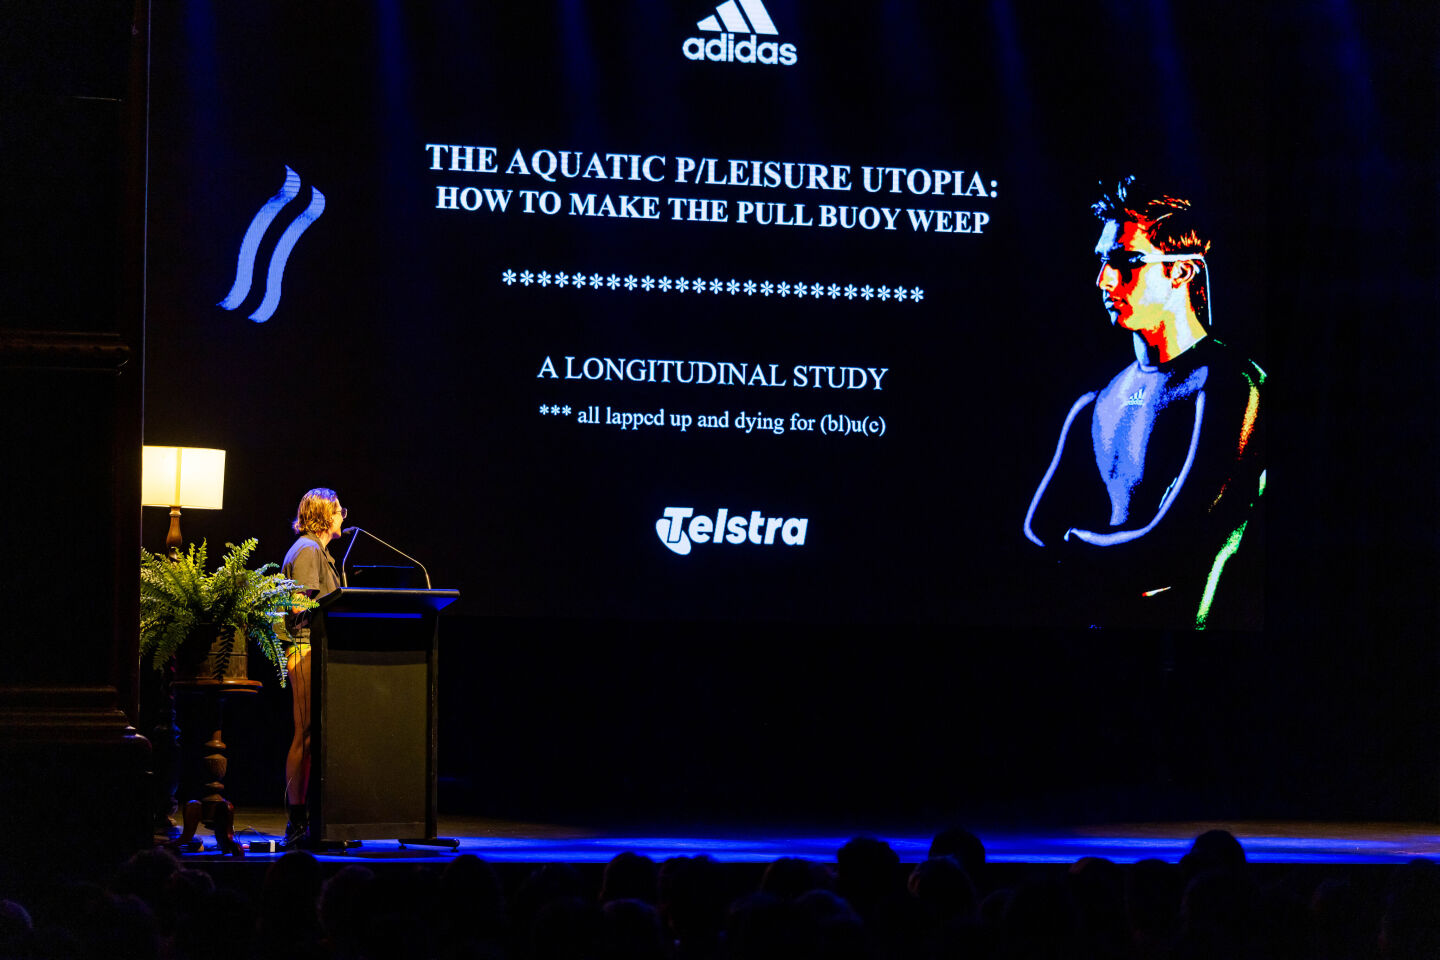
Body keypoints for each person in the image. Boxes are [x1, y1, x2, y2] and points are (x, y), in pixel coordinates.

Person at [1023, 176, 1265, 629]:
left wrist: (1075, 548)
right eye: (1102, 261)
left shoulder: (1229, 385)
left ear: (1182, 272)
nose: (1104, 280)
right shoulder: (1096, 403)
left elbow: (1174, 545)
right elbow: (1037, 534)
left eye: (1125, 261)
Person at [279, 487, 346, 847]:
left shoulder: (318, 551)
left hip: (318, 650)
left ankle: (319, 821)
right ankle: (297, 822)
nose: (342, 517)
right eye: (338, 511)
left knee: (314, 737)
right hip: (305, 649)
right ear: (324, 515)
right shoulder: (307, 549)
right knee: (304, 735)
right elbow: (297, 605)